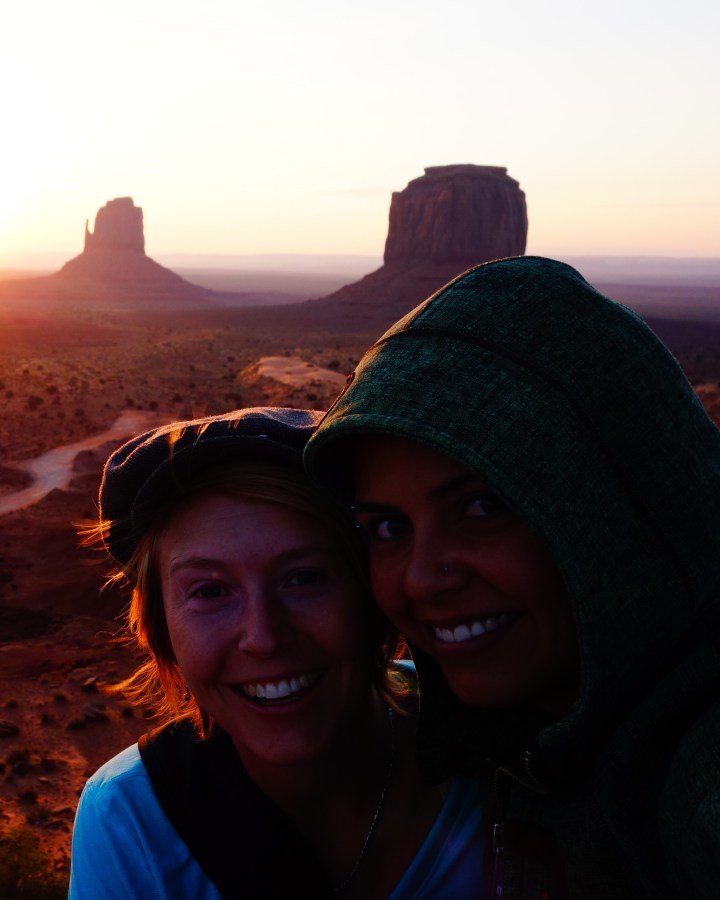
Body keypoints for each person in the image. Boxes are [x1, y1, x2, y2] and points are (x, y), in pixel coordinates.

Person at [304, 256, 720, 898]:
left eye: (483, 507)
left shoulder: (697, 770)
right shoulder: (519, 727)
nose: (420, 579)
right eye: (388, 527)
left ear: (614, 509)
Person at [69, 408, 486, 899]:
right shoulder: (131, 820)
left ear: (371, 596)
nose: (263, 636)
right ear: (163, 629)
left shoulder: (496, 736)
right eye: (209, 591)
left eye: (304, 578)